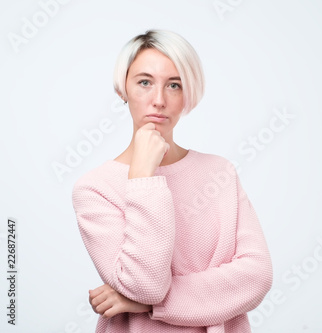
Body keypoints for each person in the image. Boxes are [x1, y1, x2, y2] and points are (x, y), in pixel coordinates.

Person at [71, 29, 273, 333]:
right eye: (144, 82)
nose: (159, 100)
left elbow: (256, 276)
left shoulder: (220, 173)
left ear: (187, 94)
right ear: (122, 89)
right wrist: (142, 177)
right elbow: (145, 285)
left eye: (174, 85)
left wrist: (153, 305)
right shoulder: (95, 188)